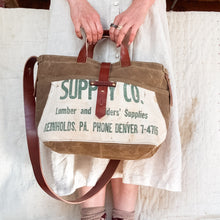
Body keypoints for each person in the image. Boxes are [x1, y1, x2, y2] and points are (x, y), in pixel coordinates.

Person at [45, 0, 182, 219]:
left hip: (141, 9)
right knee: (79, 107)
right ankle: (92, 215)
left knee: (136, 107)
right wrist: (77, 3)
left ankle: (124, 216)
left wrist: (141, 5)